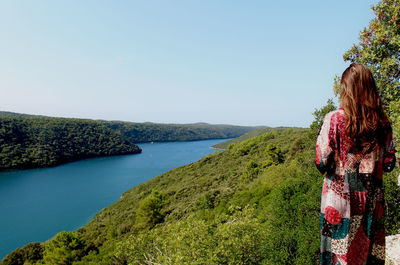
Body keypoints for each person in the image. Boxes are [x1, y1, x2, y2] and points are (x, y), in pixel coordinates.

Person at [315, 63, 396, 264]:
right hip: (371, 201)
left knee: (338, 256)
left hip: (339, 202)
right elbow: (389, 163)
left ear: (346, 90)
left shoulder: (334, 119)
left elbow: (322, 162)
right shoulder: (383, 123)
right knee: (368, 255)